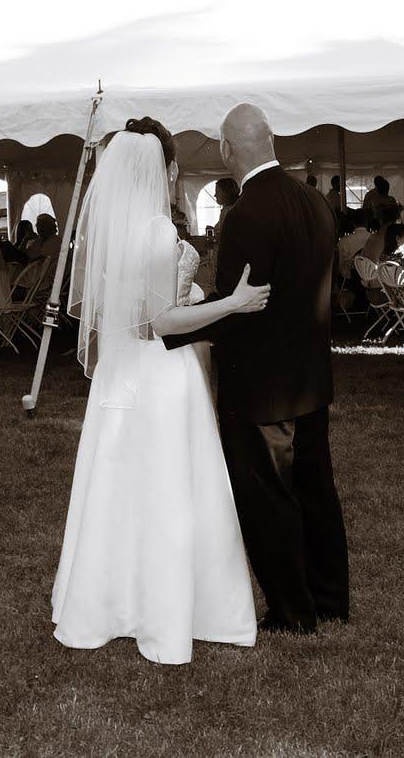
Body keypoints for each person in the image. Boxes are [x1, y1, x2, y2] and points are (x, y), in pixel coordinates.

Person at [52, 117, 269, 665]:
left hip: (119, 374)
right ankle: (173, 609)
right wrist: (231, 303)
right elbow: (161, 322)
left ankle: (109, 601)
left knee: (118, 486)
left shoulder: (113, 231)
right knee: (171, 489)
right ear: (167, 170)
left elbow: (129, 311)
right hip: (162, 373)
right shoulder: (155, 231)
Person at [161, 103, 348, 635]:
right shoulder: (316, 202)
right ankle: (331, 598)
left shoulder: (245, 214)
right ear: (271, 142)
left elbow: (239, 305)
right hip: (311, 376)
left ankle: (292, 612)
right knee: (316, 488)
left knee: (269, 499)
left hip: (260, 384)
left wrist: (175, 328)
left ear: (226, 150)